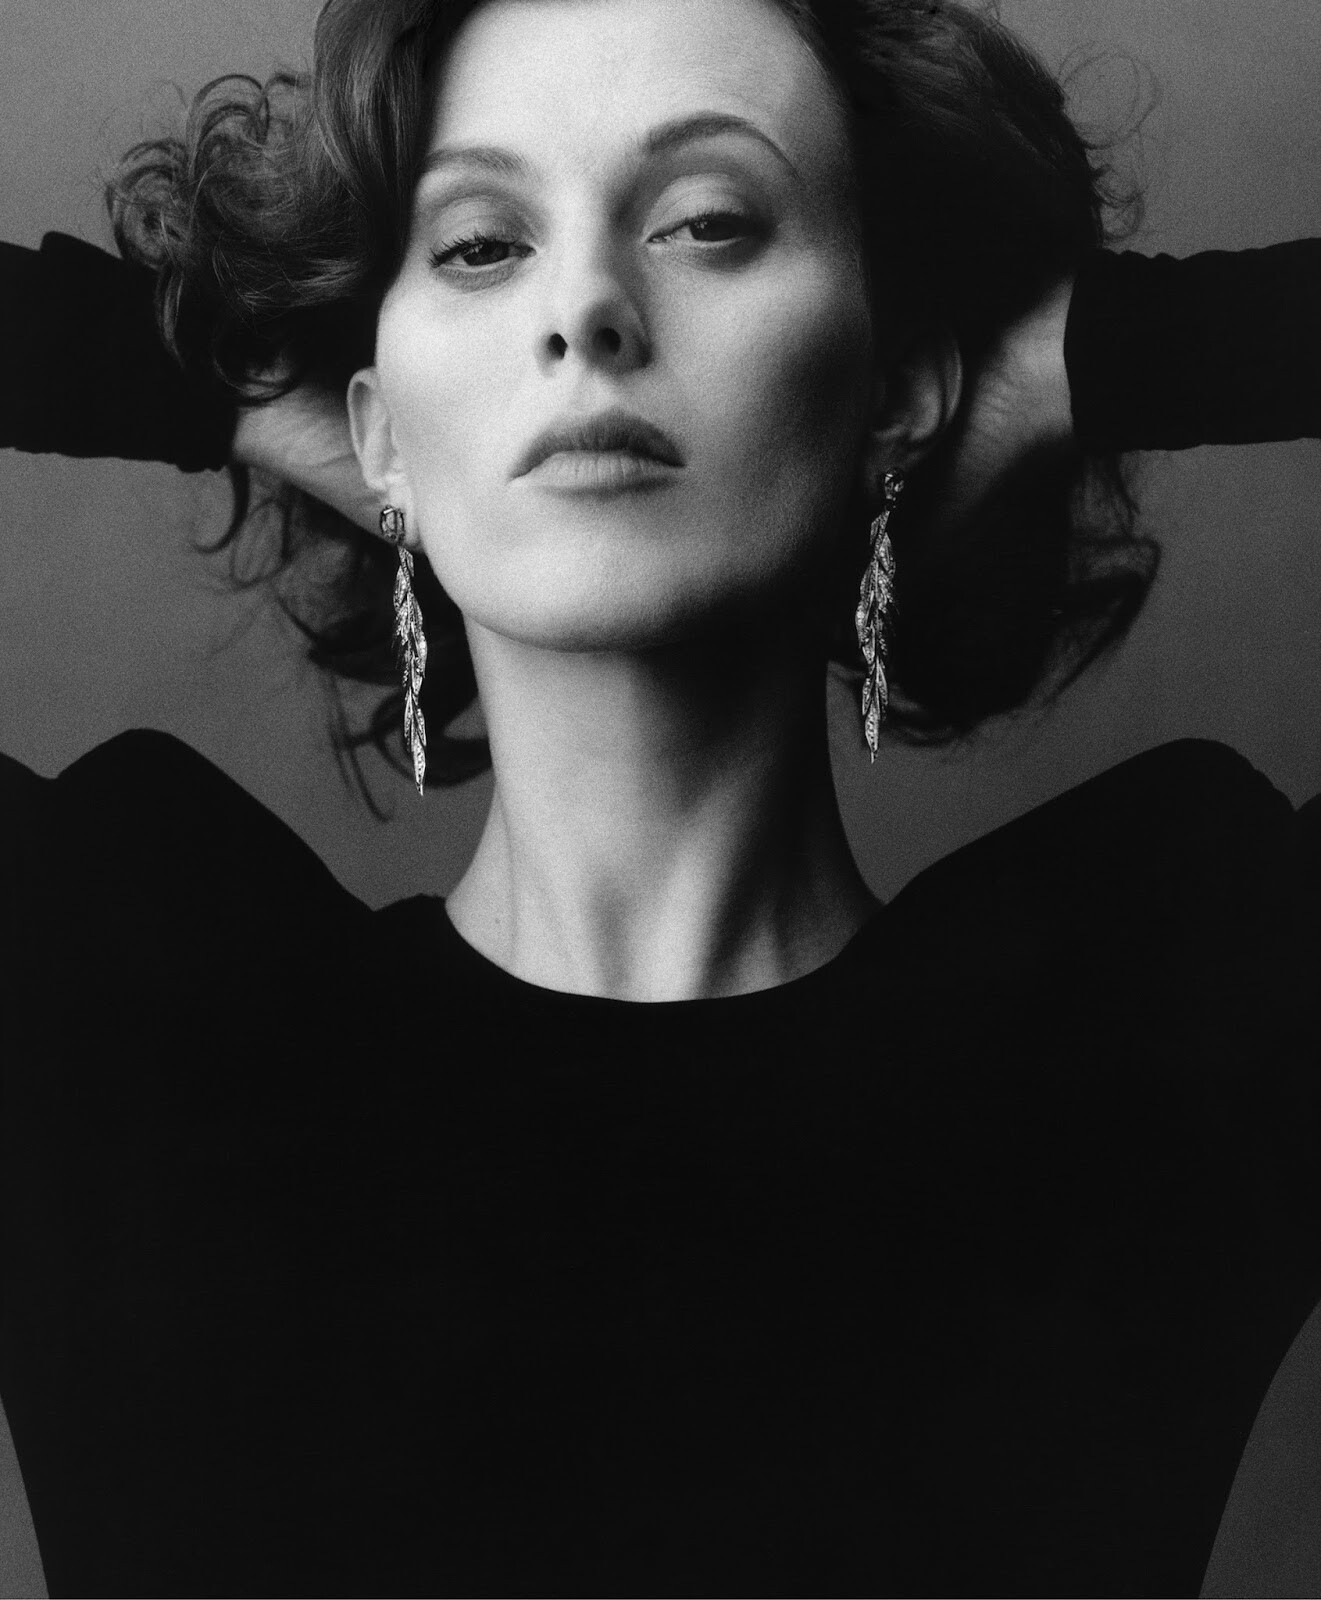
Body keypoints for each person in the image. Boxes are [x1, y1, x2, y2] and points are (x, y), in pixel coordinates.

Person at [0, 0, 1316, 1593]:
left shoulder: (1154, 1033)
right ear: (377, 427)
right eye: (482, 245)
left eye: (706, 222)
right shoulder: (116, 1012)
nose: (586, 310)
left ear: (893, 387)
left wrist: (1080, 361)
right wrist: (216, 385)